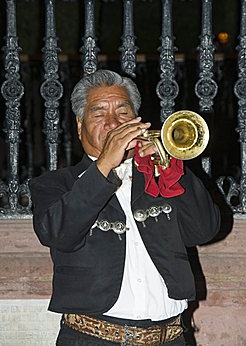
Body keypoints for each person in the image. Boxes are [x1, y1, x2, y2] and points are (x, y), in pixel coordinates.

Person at [30, 69, 220, 346]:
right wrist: (105, 164)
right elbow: (59, 234)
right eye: (99, 113)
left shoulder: (160, 176)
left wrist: (172, 169)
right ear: (79, 125)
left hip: (173, 338)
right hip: (91, 339)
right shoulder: (56, 184)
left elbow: (203, 231)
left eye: (123, 112)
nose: (113, 123)